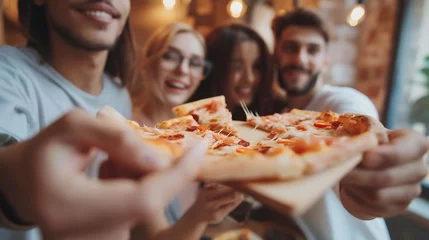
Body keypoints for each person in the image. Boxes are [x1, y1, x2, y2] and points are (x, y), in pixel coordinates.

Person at [0, 0, 206, 239]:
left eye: (195, 62)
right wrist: (23, 185)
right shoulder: (8, 74)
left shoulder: (119, 94)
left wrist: (202, 212)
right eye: (171, 56)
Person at [271, 8, 429, 240]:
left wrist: (371, 176)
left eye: (312, 50)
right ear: (277, 54)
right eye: (290, 48)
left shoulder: (341, 101)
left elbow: (357, 124)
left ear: (326, 60)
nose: (300, 59)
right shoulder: (279, 117)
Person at [131, 23, 243, 240]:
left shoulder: (196, 130)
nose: (183, 70)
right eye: (171, 56)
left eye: (194, 63)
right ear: (147, 60)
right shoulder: (130, 133)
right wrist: (200, 215)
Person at [189, 24, 283, 121]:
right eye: (237, 67)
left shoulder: (273, 117)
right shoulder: (188, 122)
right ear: (215, 68)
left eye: (256, 66)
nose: (249, 78)